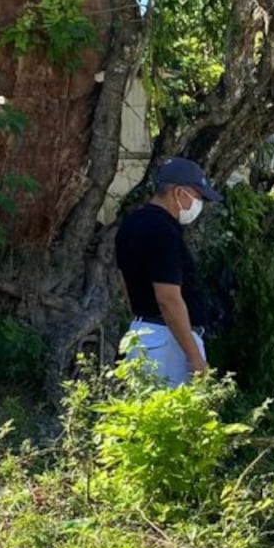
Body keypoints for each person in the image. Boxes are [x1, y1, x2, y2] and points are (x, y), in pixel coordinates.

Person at [114, 157, 222, 387]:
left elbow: (125, 283)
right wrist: (194, 356)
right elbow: (168, 298)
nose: (199, 203)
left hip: (142, 333)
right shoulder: (164, 232)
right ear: (179, 192)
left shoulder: (131, 224)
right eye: (198, 196)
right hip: (169, 341)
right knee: (178, 419)